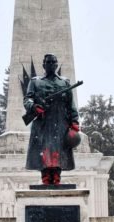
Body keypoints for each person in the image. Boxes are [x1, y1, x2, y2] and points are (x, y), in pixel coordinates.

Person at [24, 54, 80, 185]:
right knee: (44, 149)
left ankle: (56, 175)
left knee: (59, 150)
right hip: (42, 122)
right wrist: (34, 107)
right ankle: (45, 176)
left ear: (56, 64)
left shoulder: (64, 82)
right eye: (48, 62)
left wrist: (75, 122)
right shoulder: (35, 81)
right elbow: (27, 99)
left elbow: (71, 104)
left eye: (53, 62)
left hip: (61, 121)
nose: (51, 64)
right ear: (43, 65)